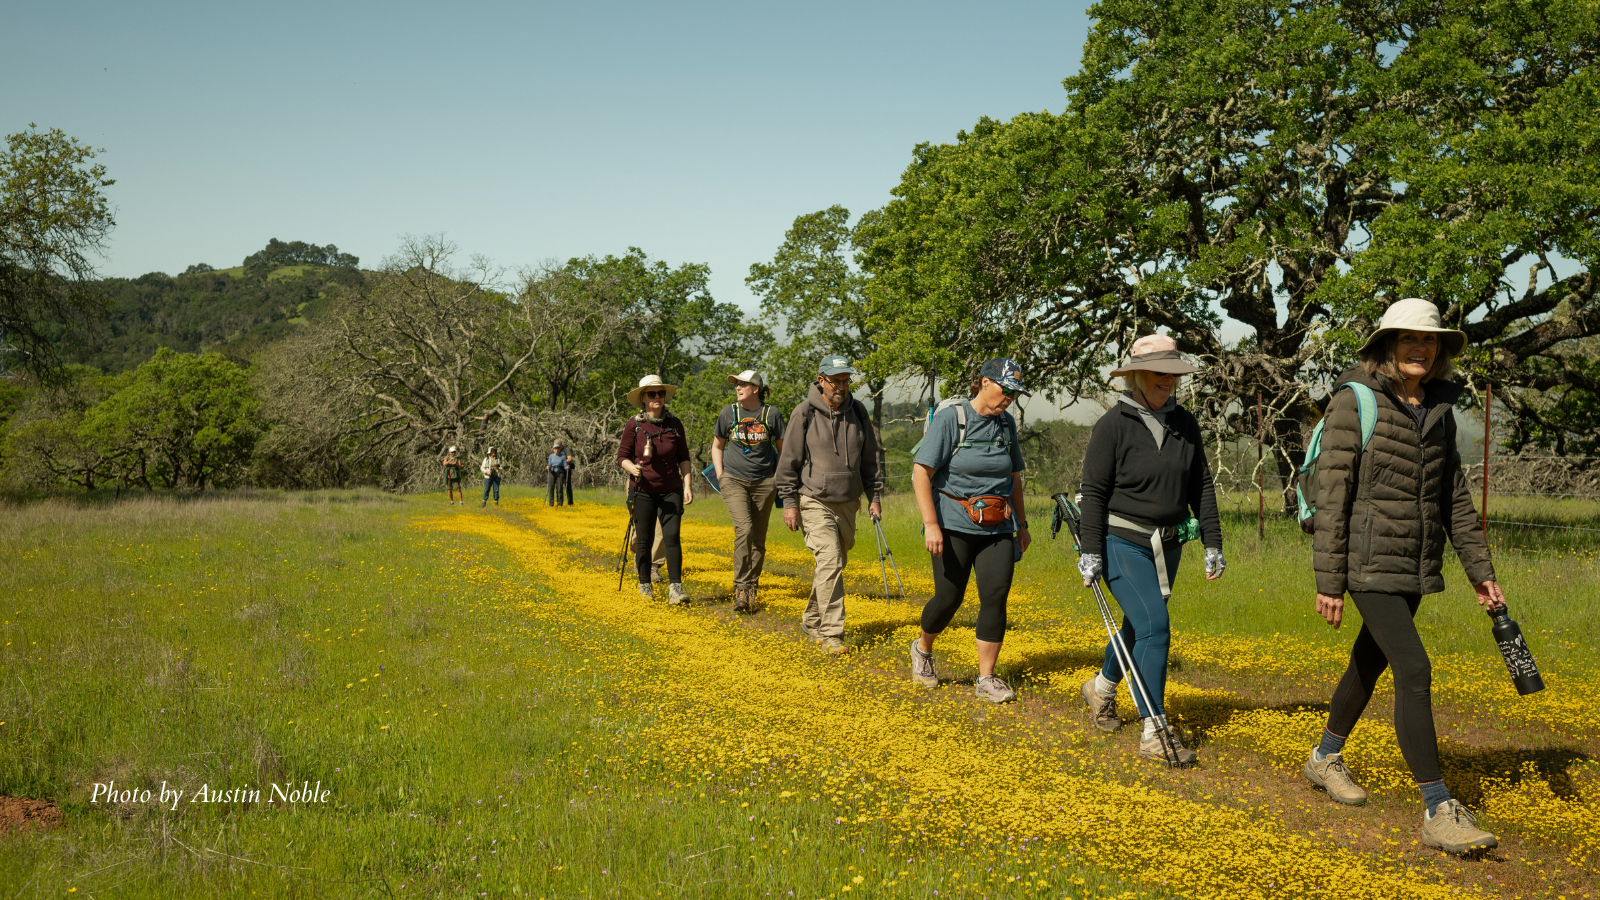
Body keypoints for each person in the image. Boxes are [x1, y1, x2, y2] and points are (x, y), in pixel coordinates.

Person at [1309, 297, 1502, 855]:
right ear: (1387, 346)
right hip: (1367, 563)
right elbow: (1332, 493)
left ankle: (1324, 757)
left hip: (1414, 565)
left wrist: (1480, 573)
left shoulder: (1439, 409)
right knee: (1414, 669)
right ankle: (1439, 809)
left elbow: (1455, 501)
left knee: (1370, 662)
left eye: (1430, 341)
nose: (1420, 348)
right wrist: (1330, 579)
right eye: (1409, 339)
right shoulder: (1356, 401)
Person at [1076, 334, 1224, 764]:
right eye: (1161, 374)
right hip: (1121, 540)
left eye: (1174, 374)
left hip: (1170, 543)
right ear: (1138, 375)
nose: (1169, 382)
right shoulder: (1113, 425)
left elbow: (1202, 486)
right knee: (1155, 626)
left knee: (1138, 626)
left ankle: (1101, 689)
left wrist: (1212, 543)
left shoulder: (1186, 423)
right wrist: (1091, 551)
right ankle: (1154, 730)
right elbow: (1094, 492)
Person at [910, 358, 1031, 703]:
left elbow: (1014, 478)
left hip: (998, 527)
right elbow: (921, 472)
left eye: (1015, 393)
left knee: (995, 597)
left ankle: (987, 678)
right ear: (984, 383)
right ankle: (922, 649)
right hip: (953, 525)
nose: (1010, 398)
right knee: (950, 597)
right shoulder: (953, 419)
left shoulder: (1007, 425)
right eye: (1006, 390)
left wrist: (1021, 524)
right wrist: (931, 524)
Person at [775, 354, 883, 655]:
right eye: (836, 381)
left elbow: (870, 459)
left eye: (846, 381)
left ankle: (811, 618)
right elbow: (788, 462)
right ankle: (832, 634)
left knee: (834, 565)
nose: (841, 387)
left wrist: (874, 496)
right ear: (821, 380)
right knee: (831, 561)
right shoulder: (804, 412)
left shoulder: (858, 412)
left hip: (849, 501)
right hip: (813, 499)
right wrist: (789, 502)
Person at [714, 369, 785, 613]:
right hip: (734, 479)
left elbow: (783, 450)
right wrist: (721, 475)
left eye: (743, 384)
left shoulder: (771, 414)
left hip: (765, 482)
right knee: (744, 529)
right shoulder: (728, 412)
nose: (737, 387)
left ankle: (752, 585)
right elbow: (716, 446)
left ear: (755, 388)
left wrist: (776, 479)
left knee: (758, 537)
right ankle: (741, 588)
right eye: (736, 384)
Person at [617, 374, 694, 604]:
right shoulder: (635, 424)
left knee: (672, 537)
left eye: (661, 393)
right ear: (643, 398)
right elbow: (622, 456)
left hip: (671, 489)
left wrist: (687, 484)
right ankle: (644, 585)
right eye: (652, 394)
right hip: (643, 489)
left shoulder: (674, 424)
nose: (658, 397)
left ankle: (676, 589)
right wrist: (633, 468)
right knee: (644, 539)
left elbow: (684, 457)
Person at [547, 441, 567, 508]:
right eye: (555, 449)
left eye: (558, 448)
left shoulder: (563, 456)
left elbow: (565, 466)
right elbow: (549, 464)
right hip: (552, 472)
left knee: (559, 488)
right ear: (553, 450)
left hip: (560, 473)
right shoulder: (551, 456)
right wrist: (548, 467)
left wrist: (566, 468)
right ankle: (551, 503)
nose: (556, 450)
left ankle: (559, 503)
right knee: (551, 488)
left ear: (559, 449)